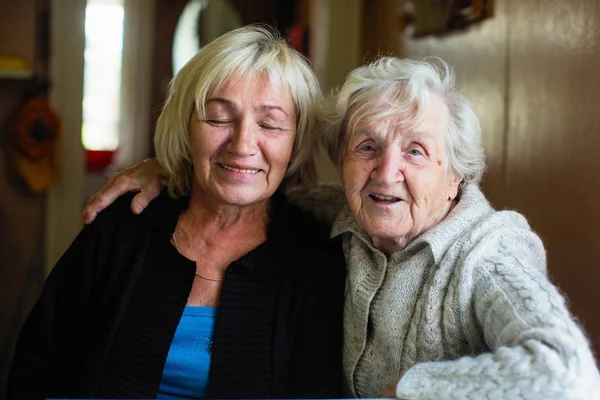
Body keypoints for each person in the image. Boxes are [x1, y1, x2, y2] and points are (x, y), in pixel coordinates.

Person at [83, 55, 600, 399]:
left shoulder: (487, 254)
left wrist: (412, 388)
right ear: (343, 161)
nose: (386, 171)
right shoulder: (347, 217)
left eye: (416, 151)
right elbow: (251, 174)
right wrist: (166, 168)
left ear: (455, 175)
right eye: (367, 147)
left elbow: (568, 375)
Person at [7, 26, 346, 400]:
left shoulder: (314, 259)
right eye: (218, 118)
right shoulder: (123, 226)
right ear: (186, 127)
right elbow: (37, 369)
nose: (243, 144)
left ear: (296, 141)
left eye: (269, 124)